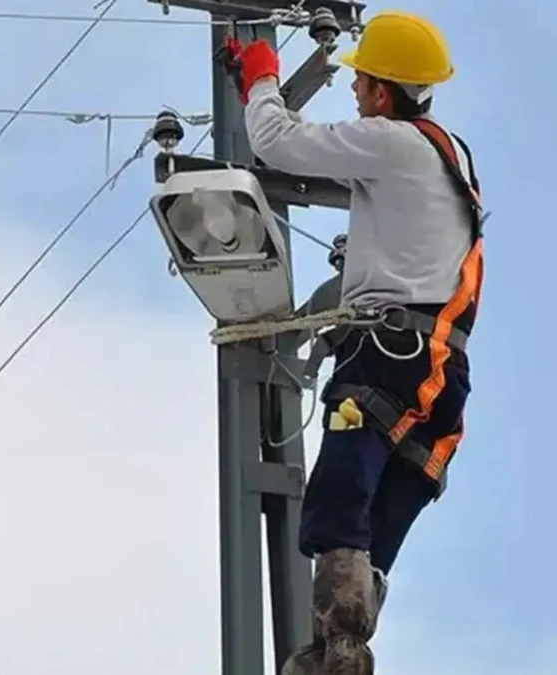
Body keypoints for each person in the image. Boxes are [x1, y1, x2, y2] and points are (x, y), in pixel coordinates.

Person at [229, 10, 486, 675]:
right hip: (438, 372)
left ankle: (340, 641)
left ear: (381, 90)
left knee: (340, 496)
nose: (352, 91)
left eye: (359, 81)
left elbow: (276, 144)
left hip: (390, 355)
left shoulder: (392, 143)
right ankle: (336, 651)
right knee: (374, 525)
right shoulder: (448, 156)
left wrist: (261, 80)